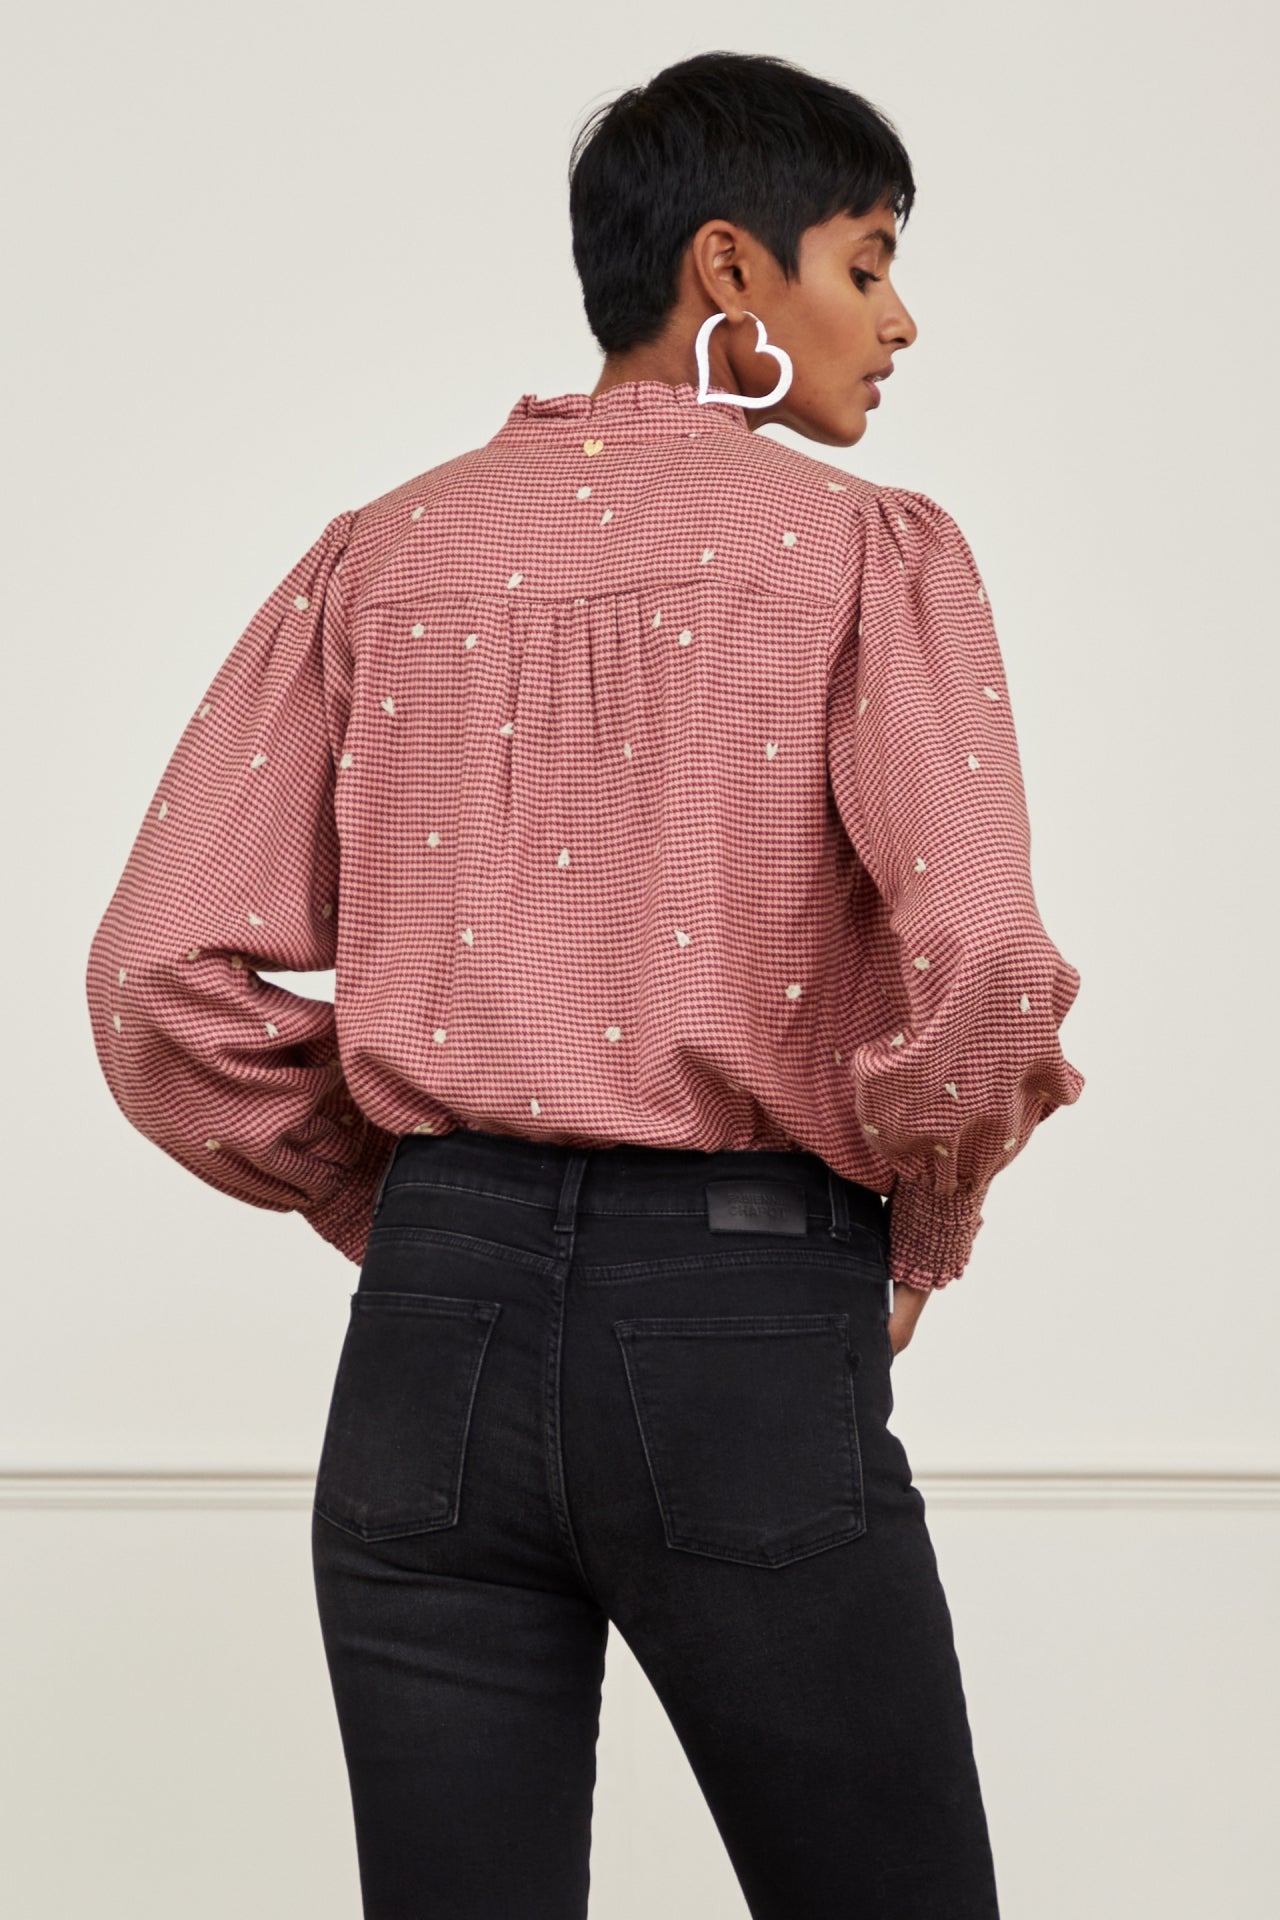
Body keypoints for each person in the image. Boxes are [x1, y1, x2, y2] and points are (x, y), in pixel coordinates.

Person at [85, 48, 1084, 1920]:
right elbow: (984, 962)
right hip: (741, 1323)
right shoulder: (860, 555)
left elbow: (155, 972)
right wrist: (925, 1224)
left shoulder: (384, 551)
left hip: (427, 1345)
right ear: (730, 269)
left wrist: (408, 1198)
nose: (900, 321)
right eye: (868, 264)